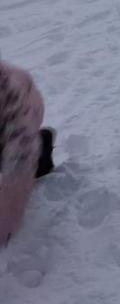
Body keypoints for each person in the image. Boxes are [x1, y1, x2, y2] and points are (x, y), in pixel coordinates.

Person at [0, 58, 57, 246]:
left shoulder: (12, 96)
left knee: (18, 160)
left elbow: (17, 177)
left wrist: (3, 229)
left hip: (24, 115)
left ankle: (41, 146)